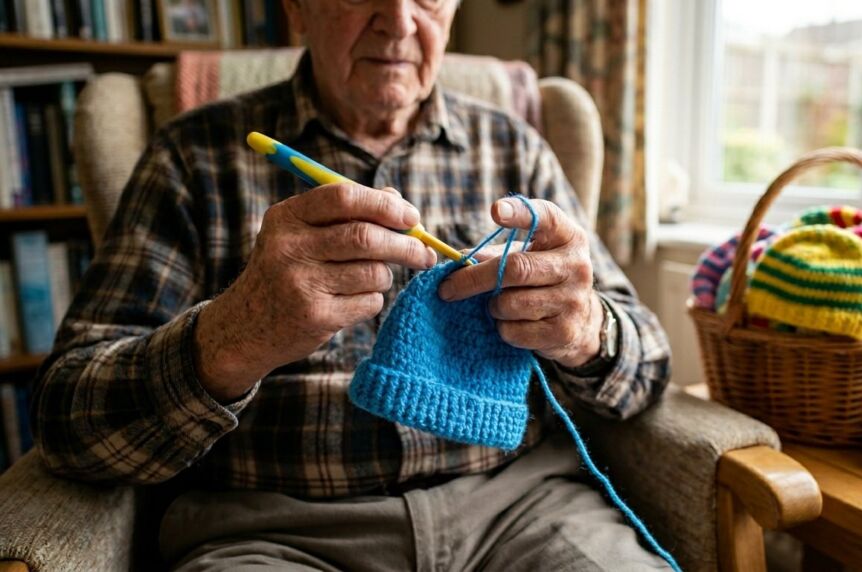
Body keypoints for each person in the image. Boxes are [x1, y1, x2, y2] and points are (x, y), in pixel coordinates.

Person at [33, 0, 672, 569]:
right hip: (277, 532)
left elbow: (649, 366)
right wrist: (236, 332)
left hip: (520, 511)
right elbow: (67, 421)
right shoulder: (193, 157)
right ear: (297, 10)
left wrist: (585, 330)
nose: (397, 21)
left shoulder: (515, 148)